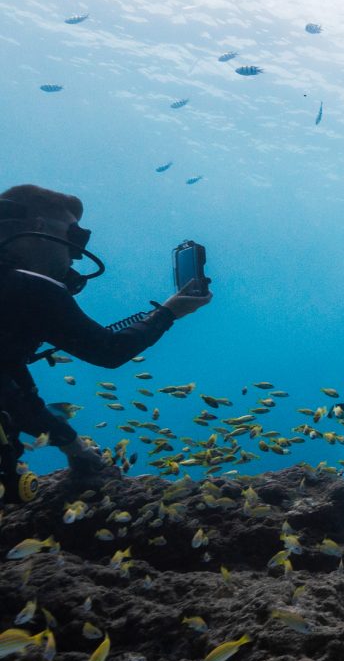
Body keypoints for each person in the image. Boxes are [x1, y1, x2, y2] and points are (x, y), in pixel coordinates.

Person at [0, 184, 211, 499]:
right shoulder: (30, 289)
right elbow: (108, 351)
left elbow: (12, 393)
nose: (75, 257)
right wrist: (170, 312)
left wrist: (73, 445)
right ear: (38, 226)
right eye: (74, 237)